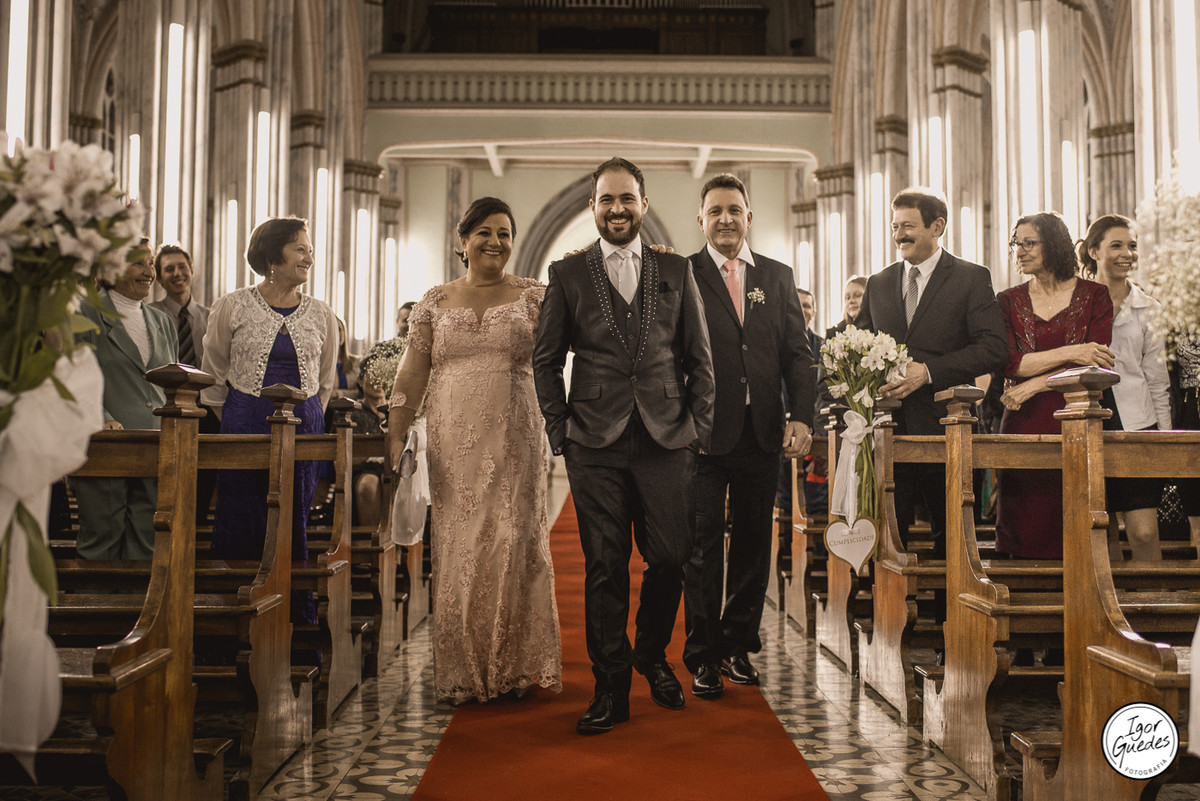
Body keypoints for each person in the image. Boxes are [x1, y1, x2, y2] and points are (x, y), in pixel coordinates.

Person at [533, 157, 715, 734]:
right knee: (605, 566)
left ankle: (651, 653)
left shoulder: (677, 271)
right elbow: (545, 360)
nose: (617, 209)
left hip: (667, 438)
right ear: (593, 207)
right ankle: (610, 687)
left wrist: (697, 432)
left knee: (669, 558)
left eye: (627, 199)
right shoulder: (567, 276)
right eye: (607, 199)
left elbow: (699, 360)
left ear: (642, 204)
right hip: (595, 441)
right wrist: (560, 429)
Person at [387, 196, 562, 705]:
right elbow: (412, 372)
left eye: (505, 233)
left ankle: (514, 664)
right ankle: (466, 666)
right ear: (462, 241)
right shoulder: (435, 302)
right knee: (463, 542)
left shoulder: (535, 297)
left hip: (517, 432)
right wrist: (397, 432)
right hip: (452, 435)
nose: (495, 242)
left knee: (513, 535)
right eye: (484, 232)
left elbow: (586, 327)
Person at [682, 173, 813, 700]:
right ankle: (702, 654)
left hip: (762, 434)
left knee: (755, 546)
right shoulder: (683, 275)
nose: (726, 219)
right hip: (703, 437)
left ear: (749, 216)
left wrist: (800, 415)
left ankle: (738, 645)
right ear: (702, 220)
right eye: (715, 211)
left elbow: (797, 356)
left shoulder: (777, 278)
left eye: (734, 210)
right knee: (701, 547)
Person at [200, 216, 339, 623]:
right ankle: (232, 621)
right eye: (301, 248)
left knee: (291, 517)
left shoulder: (321, 314)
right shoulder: (232, 306)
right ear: (273, 254)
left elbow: (326, 381)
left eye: (310, 250)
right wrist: (240, 418)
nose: (309, 257)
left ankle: (293, 623)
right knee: (242, 516)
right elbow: (213, 375)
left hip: (304, 428)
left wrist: (311, 416)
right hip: (244, 426)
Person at [856, 187, 1008, 557]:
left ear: (937, 226)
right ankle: (890, 614)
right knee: (888, 537)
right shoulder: (878, 284)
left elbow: (994, 348)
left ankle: (950, 614)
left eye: (908, 226)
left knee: (951, 538)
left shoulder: (970, 278)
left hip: (948, 427)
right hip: (890, 430)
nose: (899, 235)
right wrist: (867, 384)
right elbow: (857, 347)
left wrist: (929, 371)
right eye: (894, 226)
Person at [995, 212, 1114, 558]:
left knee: (1075, 524)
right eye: (1017, 243)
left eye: (1029, 242)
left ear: (1055, 244)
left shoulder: (1095, 295)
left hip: (1077, 419)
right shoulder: (1008, 300)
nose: (1020, 250)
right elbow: (1012, 364)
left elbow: (1096, 365)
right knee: (1021, 530)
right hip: (1021, 423)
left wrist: (1033, 385)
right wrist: (1074, 351)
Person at [72, 239, 178, 559]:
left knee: (148, 540)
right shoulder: (85, 311)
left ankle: (139, 608)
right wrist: (101, 416)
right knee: (102, 537)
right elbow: (74, 376)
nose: (149, 272)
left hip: (157, 444)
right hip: (106, 443)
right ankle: (97, 608)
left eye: (151, 263)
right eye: (138, 263)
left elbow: (171, 383)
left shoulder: (163, 322)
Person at [1078, 215, 1171, 560]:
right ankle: (1114, 612)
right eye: (1116, 245)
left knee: (1144, 533)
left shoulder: (1150, 309)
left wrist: (1164, 438)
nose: (1127, 253)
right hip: (1089, 418)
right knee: (1102, 535)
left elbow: (1158, 380)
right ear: (1094, 251)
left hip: (1137, 423)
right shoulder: (1077, 304)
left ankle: (1156, 611)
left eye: (1132, 246)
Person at [149, 242, 219, 523]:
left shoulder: (211, 316)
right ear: (159, 276)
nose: (177, 274)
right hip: (164, 410)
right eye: (168, 269)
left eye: (182, 267)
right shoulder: (151, 316)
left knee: (202, 483)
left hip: (206, 411)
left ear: (192, 270)